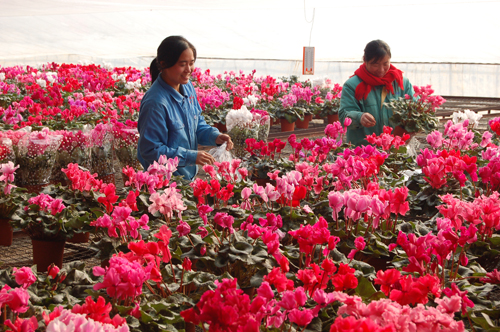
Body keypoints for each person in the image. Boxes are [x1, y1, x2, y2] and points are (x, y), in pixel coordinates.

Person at [137, 36, 233, 180]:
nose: (189, 70)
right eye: (183, 64)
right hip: (164, 182)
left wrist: (216, 136)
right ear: (164, 64)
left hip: (186, 177)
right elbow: (151, 151)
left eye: (191, 63)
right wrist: (190, 156)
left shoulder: (186, 87)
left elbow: (196, 123)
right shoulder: (155, 103)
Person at [339, 40, 415, 146]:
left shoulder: (401, 82)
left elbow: (414, 108)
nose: (381, 70)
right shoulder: (352, 85)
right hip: (363, 150)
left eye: (385, 64)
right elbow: (343, 115)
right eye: (375, 64)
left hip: (395, 151)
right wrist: (359, 117)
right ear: (365, 60)